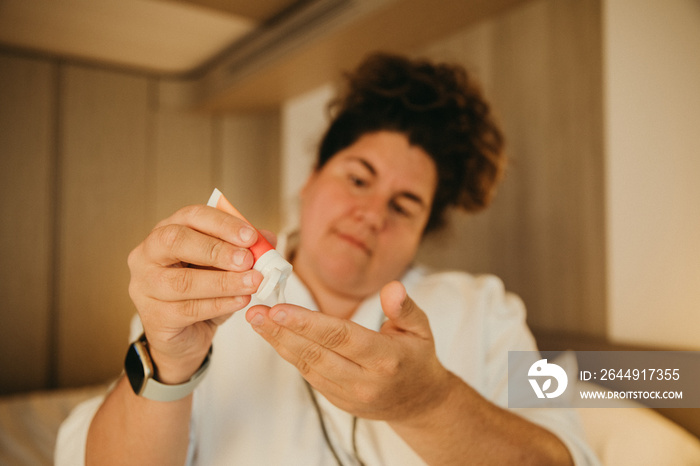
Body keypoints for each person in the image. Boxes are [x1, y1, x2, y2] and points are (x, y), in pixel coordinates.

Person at [56, 52, 599, 465]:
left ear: (421, 234)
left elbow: (563, 457)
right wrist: (170, 367)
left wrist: (431, 405)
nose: (370, 213)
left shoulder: (488, 310)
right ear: (311, 180)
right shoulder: (204, 288)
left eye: (404, 206)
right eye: (357, 178)